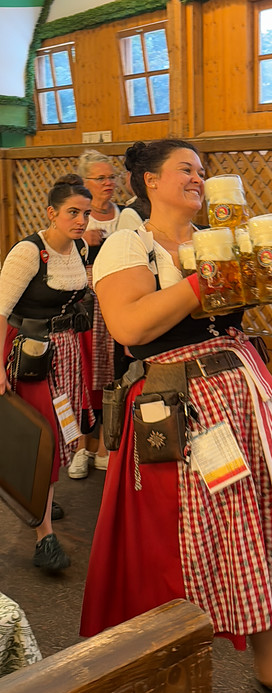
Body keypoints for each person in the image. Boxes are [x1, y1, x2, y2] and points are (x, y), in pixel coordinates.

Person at [80, 139, 272, 693]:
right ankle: (157, 688)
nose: (199, 178)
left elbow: (237, 308)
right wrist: (206, 278)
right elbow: (131, 326)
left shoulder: (220, 235)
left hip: (244, 396)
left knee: (267, 528)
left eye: (202, 170)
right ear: (149, 181)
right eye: (185, 169)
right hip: (179, 410)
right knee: (180, 547)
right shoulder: (127, 244)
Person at [0, 174, 94, 571]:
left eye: (86, 213)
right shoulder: (28, 253)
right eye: (73, 212)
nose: (81, 221)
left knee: (65, 429)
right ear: (52, 213)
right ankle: (44, 540)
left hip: (67, 351)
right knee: (43, 437)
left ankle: (40, 497)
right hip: (31, 356)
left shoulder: (82, 248)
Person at [68, 150, 121, 480]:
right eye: (100, 178)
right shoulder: (77, 217)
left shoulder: (127, 215)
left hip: (116, 301)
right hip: (85, 306)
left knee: (113, 376)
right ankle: (79, 447)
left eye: (111, 177)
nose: (108, 183)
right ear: (85, 182)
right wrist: (81, 243)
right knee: (82, 377)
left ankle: (104, 447)